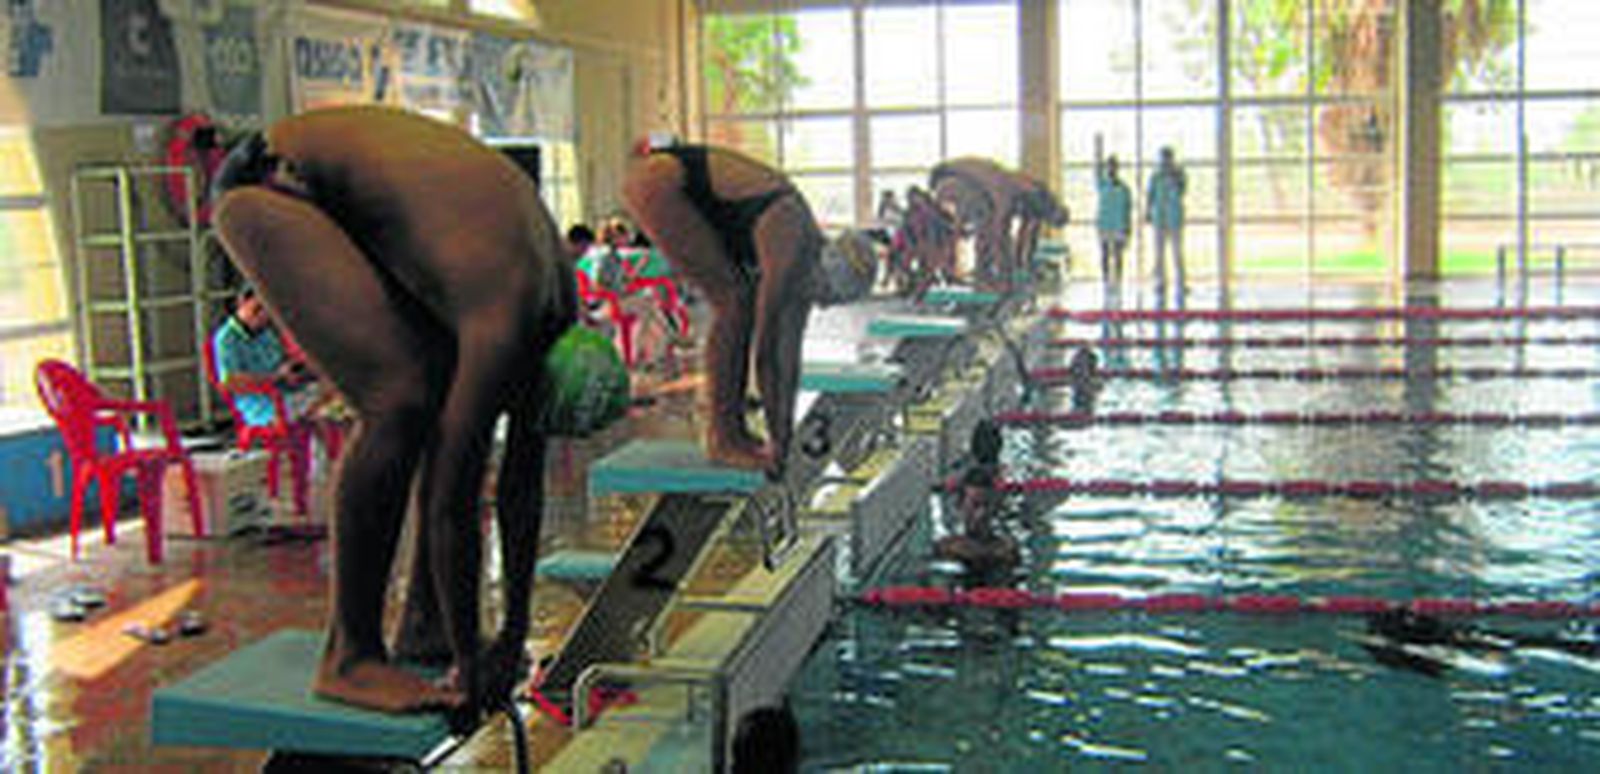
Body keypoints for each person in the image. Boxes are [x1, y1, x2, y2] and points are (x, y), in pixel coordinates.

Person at [210, 105, 595, 724]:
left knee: (434, 386)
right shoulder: (505, 322)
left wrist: (513, 635)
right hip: (271, 187)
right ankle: (350, 655)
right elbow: (453, 500)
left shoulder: (558, 309)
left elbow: (522, 488)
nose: (519, 418)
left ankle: (424, 624)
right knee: (402, 398)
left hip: (344, 193)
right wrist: (473, 668)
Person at [622, 142, 876, 475]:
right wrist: (775, 439)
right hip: (662, 181)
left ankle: (730, 434)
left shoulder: (803, 273)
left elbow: (788, 360)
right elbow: (766, 352)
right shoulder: (788, 238)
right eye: (825, 296)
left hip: (681, 185)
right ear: (822, 270)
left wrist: (781, 442)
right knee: (734, 302)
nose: (820, 305)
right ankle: (723, 438)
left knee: (736, 300)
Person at [212, 286, 320, 427]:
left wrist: (296, 368)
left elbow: (281, 361)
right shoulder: (226, 339)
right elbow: (230, 382)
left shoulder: (265, 334)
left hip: (287, 393)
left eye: (266, 310)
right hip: (264, 406)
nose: (263, 316)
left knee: (334, 391)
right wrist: (275, 377)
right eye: (257, 309)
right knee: (322, 408)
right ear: (242, 303)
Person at [934, 465, 1019, 573]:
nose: (981, 514)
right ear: (960, 506)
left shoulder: (1006, 549)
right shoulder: (946, 548)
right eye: (975, 505)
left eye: (986, 505)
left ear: (995, 508)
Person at [1146, 146, 1187, 294]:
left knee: (1177, 252)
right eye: (1163, 158)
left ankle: (1181, 282)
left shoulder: (1179, 175)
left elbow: (1182, 190)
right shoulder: (1155, 176)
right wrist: (1148, 212)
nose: (1165, 162)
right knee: (1159, 253)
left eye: (1167, 158)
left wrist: (1174, 176)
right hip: (1159, 218)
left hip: (1174, 217)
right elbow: (1150, 195)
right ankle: (1160, 282)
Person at [1095, 154, 1133, 294]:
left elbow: (1128, 209)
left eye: (1113, 167)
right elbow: (1097, 168)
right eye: (1109, 166)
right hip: (1104, 224)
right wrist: (1098, 147)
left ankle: (1117, 281)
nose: (1111, 169)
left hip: (1118, 225)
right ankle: (1106, 281)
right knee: (1105, 253)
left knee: (1118, 255)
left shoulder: (1124, 189)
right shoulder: (1102, 184)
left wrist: (1128, 228)